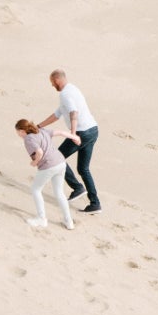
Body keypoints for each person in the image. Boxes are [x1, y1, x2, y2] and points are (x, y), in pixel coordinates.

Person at [37, 68, 101, 214]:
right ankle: (95, 203)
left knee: (57, 158)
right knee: (83, 169)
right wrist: (39, 126)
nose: (52, 86)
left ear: (57, 79)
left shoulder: (66, 94)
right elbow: (57, 114)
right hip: (93, 130)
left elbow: (73, 112)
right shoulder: (72, 90)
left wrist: (72, 134)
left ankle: (77, 188)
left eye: (52, 83)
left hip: (82, 132)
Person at [14, 118, 78, 230]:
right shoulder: (41, 131)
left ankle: (41, 219)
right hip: (61, 162)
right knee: (59, 192)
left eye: (18, 132)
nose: (18, 134)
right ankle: (69, 222)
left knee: (35, 189)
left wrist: (35, 162)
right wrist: (75, 137)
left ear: (22, 131)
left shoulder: (28, 139)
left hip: (49, 165)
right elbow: (60, 132)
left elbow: (39, 152)